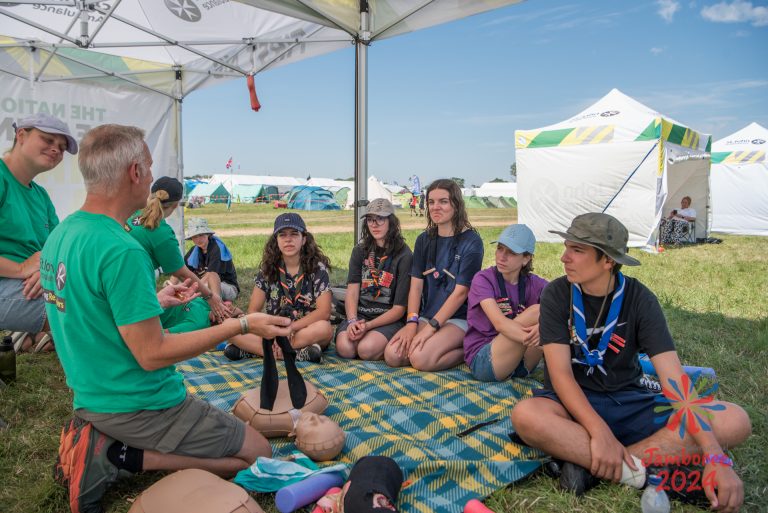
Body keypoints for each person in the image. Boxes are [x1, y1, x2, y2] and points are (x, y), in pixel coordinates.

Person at [41, 124, 292, 513]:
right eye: (149, 165)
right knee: (257, 455)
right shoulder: (120, 249)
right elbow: (152, 354)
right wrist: (240, 325)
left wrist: (153, 301)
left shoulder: (63, 233)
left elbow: (89, 311)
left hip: (90, 396)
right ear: (135, 173)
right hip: (139, 404)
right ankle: (118, 456)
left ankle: (111, 445)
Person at [510, 213, 751, 511]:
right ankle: (646, 471)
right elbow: (560, 375)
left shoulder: (640, 299)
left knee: (735, 419)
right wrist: (599, 432)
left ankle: (593, 467)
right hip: (571, 403)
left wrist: (715, 455)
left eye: (577, 250)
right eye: (567, 246)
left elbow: (674, 380)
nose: (564, 257)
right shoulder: (557, 294)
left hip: (629, 402)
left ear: (608, 260)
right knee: (527, 415)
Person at [384, 179, 483, 371]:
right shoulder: (424, 240)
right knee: (392, 355)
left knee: (421, 359)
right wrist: (412, 322)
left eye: (443, 201)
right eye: (431, 202)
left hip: (458, 318)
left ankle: (470, 348)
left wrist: (431, 328)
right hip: (427, 315)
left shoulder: (472, 242)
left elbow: (461, 293)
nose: (436, 207)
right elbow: (416, 287)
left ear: (456, 204)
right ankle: (433, 344)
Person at [0, 113, 78, 353]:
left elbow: (58, 247)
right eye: (47, 140)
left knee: (89, 285)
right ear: (21, 135)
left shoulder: (40, 195)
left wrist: (48, 269)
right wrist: (22, 269)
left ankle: (30, 332)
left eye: (62, 147)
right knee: (79, 306)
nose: (56, 149)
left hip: (30, 283)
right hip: (10, 281)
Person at [223, 213, 332, 363]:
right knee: (228, 327)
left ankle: (260, 352)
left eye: (294, 234)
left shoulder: (317, 269)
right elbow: (253, 311)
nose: (288, 239)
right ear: (276, 240)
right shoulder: (268, 269)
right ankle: (296, 354)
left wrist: (291, 329)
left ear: (304, 239)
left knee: (324, 329)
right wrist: (272, 333)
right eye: (282, 235)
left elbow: (324, 311)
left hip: (303, 329)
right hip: (271, 331)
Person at [126, 177, 230, 330]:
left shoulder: (131, 212)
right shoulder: (162, 233)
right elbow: (182, 272)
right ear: (175, 206)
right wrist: (210, 297)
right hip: (133, 292)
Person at [464, 224, 548, 381]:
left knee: (551, 311)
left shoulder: (534, 283)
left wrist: (542, 328)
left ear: (526, 258)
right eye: (500, 248)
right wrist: (543, 339)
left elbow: (565, 304)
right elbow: (500, 324)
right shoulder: (483, 279)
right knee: (537, 312)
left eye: (511, 252)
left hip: (521, 363)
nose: (501, 256)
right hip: (486, 360)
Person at [336, 199, 412, 361]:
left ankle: (377, 342)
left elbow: (399, 309)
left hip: (388, 319)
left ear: (391, 222)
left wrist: (368, 326)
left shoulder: (404, 255)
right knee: (345, 349)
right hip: (359, 316)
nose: (374, 224)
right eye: (370, 219)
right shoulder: (360, 250)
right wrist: (352, 321)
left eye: (380, 219)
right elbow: (352, 292)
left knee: (366, 350)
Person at [183, 217, 240, 302]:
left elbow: (210, 275)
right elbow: (182, 269)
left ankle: (214, 304)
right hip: (203, 284)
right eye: (195, 237)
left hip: (227, 287)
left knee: (207, 285)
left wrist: (193, 288)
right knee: (181, 286)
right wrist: (172, 284)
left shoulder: (217, 249)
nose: (198, 239)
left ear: (208, 234)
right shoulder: (194, 250)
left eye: (201, 235)